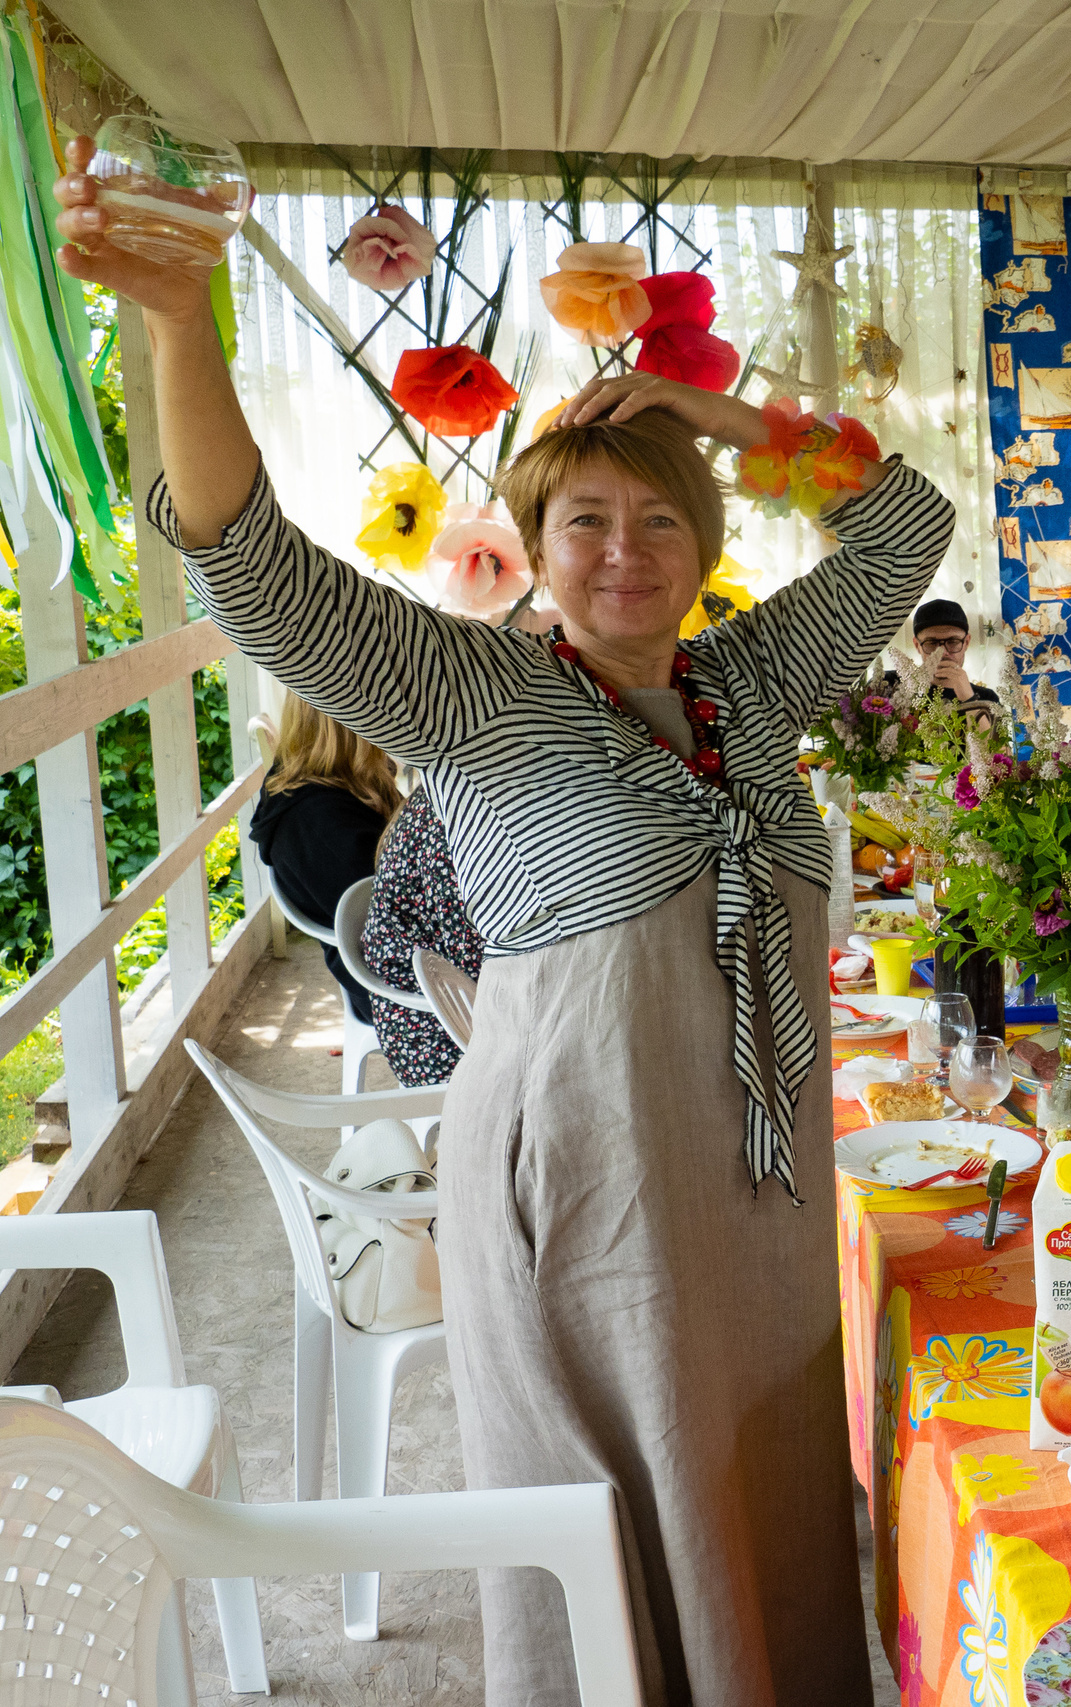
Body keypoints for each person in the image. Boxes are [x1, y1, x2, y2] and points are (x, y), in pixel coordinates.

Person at [58, 142, 954, 1707]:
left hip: (758, 1189)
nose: (624, 551)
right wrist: (183, 323)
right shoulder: (478, 690)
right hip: (587, 1186)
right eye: (585, 520)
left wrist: (709, 414)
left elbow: (905, 527)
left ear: (706, 547)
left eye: (660, 520)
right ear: (535, 551)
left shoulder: (750, 679)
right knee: (610, 1525)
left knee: (765, 1497)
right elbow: (257, 576)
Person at [248, 693, 401, 1026]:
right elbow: (384, 923)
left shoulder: (340, 785)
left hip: (402, 963)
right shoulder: (318, 823)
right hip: (392, 991)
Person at [360, 792, 480, 1087]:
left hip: (442, 1005)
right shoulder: (447, 825)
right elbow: (471, 959)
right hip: (432, 1031)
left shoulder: (444, 799)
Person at [910, 595, 1000, 711]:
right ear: (917, 645)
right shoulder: (893, 689)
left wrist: (969, 699)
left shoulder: (987, 698)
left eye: (953, 642)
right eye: (932, 643)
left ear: (966, 642)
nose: (943, 652)